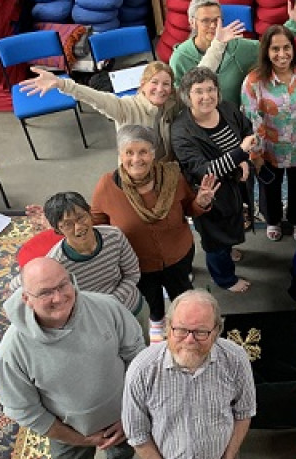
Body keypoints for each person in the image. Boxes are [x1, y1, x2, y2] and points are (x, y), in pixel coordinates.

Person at [0, 258, 146, 459]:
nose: (59, 297)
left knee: (124, 445)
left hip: (123, 411)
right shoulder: (11, 351)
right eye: (45, 292)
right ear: (26, 298)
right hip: (69, 431)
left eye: (64, 284)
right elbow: (25, 411)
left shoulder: (106, 307)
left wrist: (130, 414)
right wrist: (80, 438)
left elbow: (136, 355)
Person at [123, 290, 255, 459]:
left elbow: (244, 412)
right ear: (168, 327)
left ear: (217, 329)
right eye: (181, 330)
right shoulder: (141, 370)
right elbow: (137, 433)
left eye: (201, 332)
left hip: (221, 457)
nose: (189, 340)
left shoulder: (236, 360)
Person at [91, 125, 218, 337]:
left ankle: (185, 325)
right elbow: (96, 222)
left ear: (153, 153)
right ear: (120, 155)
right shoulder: (107, 186)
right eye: (129, 153)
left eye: (143, 152)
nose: (136, 159)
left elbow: (189, 208)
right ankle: (157, 322)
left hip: (178, 255)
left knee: (183, 295)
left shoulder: (173, 177)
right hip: (136, 264)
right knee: (151, 299)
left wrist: (201, 202)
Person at [172, 67, 257, 293]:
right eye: (198, 91)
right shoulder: (182, 131)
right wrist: (240, 155)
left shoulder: (227, 109)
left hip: (235, 186)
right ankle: (225, 279)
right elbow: (204, 170)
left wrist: (245, 161)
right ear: (187, 96)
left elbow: (246, 130)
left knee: (232, 226)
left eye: (211, 89)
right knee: (215, 241)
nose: (206, 96)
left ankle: (228, 248)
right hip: (210, 195)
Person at [241, 24, 296, 242]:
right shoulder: (253, 81)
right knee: (270, 189)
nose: (282, 54)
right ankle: (273, 220)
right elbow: (251, 121)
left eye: (286, 47)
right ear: (266, 51)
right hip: (268, 149)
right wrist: (256, 155)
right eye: (275, 49)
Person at [41, 191, 149, 341]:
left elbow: (132, 273)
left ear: (90, 212)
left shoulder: (114, 236)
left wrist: (113, 301)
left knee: (142, 348)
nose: (78, 227)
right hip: (96, 323)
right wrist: (103, 309)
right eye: (68, 224)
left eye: (81, 217)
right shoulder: (56, 263)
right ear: (58, 230)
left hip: (131, 308)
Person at [19, 62, 179, 161]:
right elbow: (96, 98)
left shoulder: (171, 104)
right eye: (154, 82)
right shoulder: (126, 107)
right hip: (138, 170)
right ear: (143, 84)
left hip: (166, 166)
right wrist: (62, 84)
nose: (160, 89)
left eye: (166, 84)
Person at [170, 0, 296, 106]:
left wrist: (294, 23)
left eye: (217, 20)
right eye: (206, 20)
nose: (213, 26)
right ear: (192, 22)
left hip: (238, 121)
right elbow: (177, 100)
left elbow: (269, 46)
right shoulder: (180, 57)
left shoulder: (238, 46)